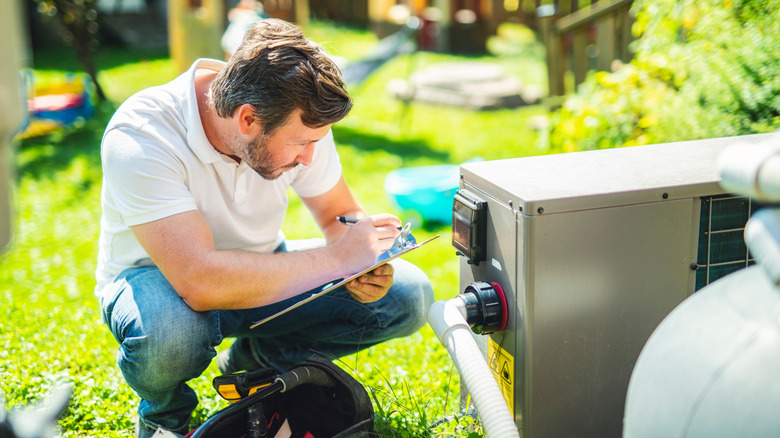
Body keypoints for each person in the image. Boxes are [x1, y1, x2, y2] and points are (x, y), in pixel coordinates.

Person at [95, 18, 434, 438]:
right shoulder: (143, 135)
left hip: (263, 274)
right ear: (248, 119)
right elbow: (197, 281)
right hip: (162, 286)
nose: (309, 157)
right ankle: (164, 419)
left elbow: (338, 215)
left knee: (408, 294)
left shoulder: (297, 113)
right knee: (171, 331)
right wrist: (336, 258)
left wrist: (364, 262)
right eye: (302, 144)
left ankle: (254, 363)